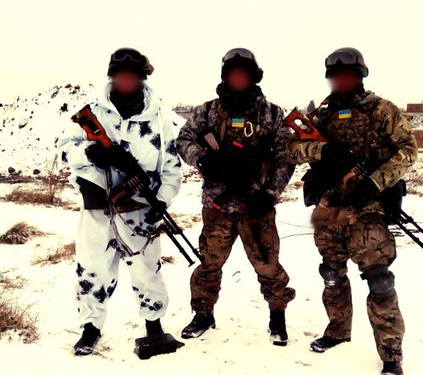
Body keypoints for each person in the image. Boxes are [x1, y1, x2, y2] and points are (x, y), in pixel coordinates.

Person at [287, 47, 418, 375]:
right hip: (331, 206)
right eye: (336, 76)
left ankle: (391, 354)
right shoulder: (322, 115)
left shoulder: (381, 110)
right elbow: (292, 148)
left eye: (347, 75)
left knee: (379, 279)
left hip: (368, 206)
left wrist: (376, 181)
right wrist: (322, 150)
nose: (341, 81)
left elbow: (408, 151)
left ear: (360, 76)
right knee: (331, 272)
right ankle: (337, 330)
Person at [58, 48, 182, 357]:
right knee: (92, 269)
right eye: (120, 75)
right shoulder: (93, 114)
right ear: (112, 76)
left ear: (141, 78)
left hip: (138, 209)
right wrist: (90, 153)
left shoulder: (159, 120)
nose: (126, 80)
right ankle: (90, 328)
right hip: (97, 209)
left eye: (132, 76)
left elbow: (171, 169)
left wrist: (161, 202)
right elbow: (63, 151)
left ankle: (154, 326)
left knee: (147, 270)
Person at [176, 48, 296, 345]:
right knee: (209, 261)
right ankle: (203, 314)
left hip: (257, 204)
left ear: (254, 77)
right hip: (218, 204)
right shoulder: (208, 111)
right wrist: (203, 160)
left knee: (267, 263)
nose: (238, 79)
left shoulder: (272, 114)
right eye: (233, 74)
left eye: (244, 74)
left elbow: (285, 157)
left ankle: (277, 316)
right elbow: (184, 139)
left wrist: (270, 194)